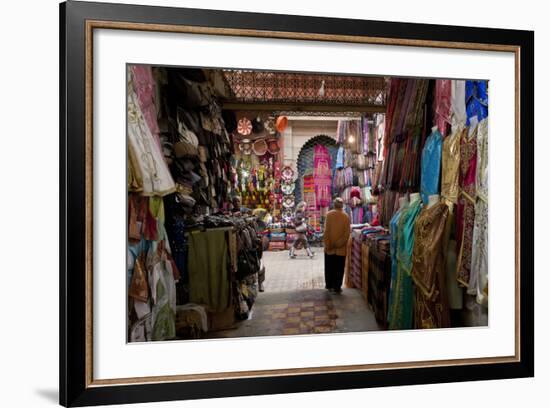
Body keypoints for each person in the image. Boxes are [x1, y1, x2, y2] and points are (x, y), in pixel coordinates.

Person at [323, 197, 351, 293]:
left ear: (334, 205)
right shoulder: (346, 216)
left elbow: (326, 231)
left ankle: (329, 285)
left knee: (329, 266)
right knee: (339, 268)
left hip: (330, 247)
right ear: (342, 205)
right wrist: (339, 244)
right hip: (340, 249)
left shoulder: (329, 215)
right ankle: (337, 287)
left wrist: (328, 244)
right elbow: (347, 234)